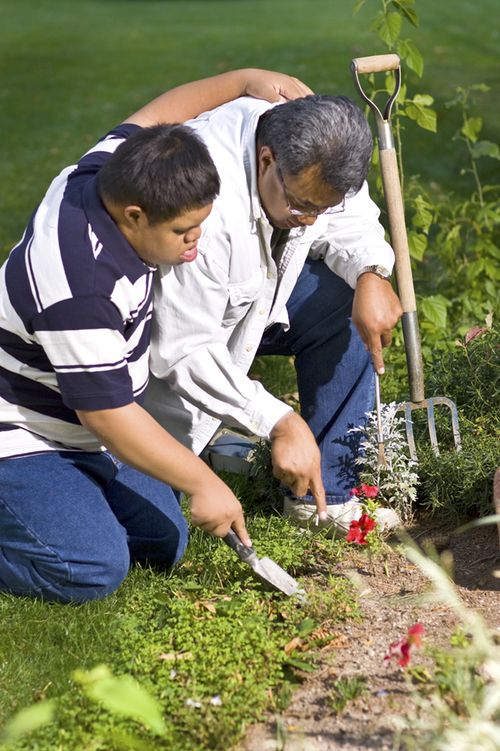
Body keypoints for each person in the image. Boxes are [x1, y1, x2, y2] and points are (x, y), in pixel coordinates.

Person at [0, 68, 313, 604]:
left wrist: (243, 81)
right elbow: (112, 419)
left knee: (163, 542)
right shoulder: (80, 286)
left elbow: (157, 116)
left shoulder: (107, 173)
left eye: (202, 225)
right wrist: (202, 482)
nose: (195, 244)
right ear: (135, 214)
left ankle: (65, 497)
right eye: (182, 233)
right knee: (90, 568)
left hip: (85, 424)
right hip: (23, 426)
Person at [145, 94, 404, 535]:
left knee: (341, 298)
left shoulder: (322, 151)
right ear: (266, 160)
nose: (309, 221)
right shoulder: (204, 200)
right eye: (302, 205)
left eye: (323, 208)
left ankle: (324, 499)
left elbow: (351, 217)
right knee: (157, 536)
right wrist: (277, 421)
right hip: (158, 353)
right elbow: (182, 349)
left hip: (248, 302)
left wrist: (371, 273)